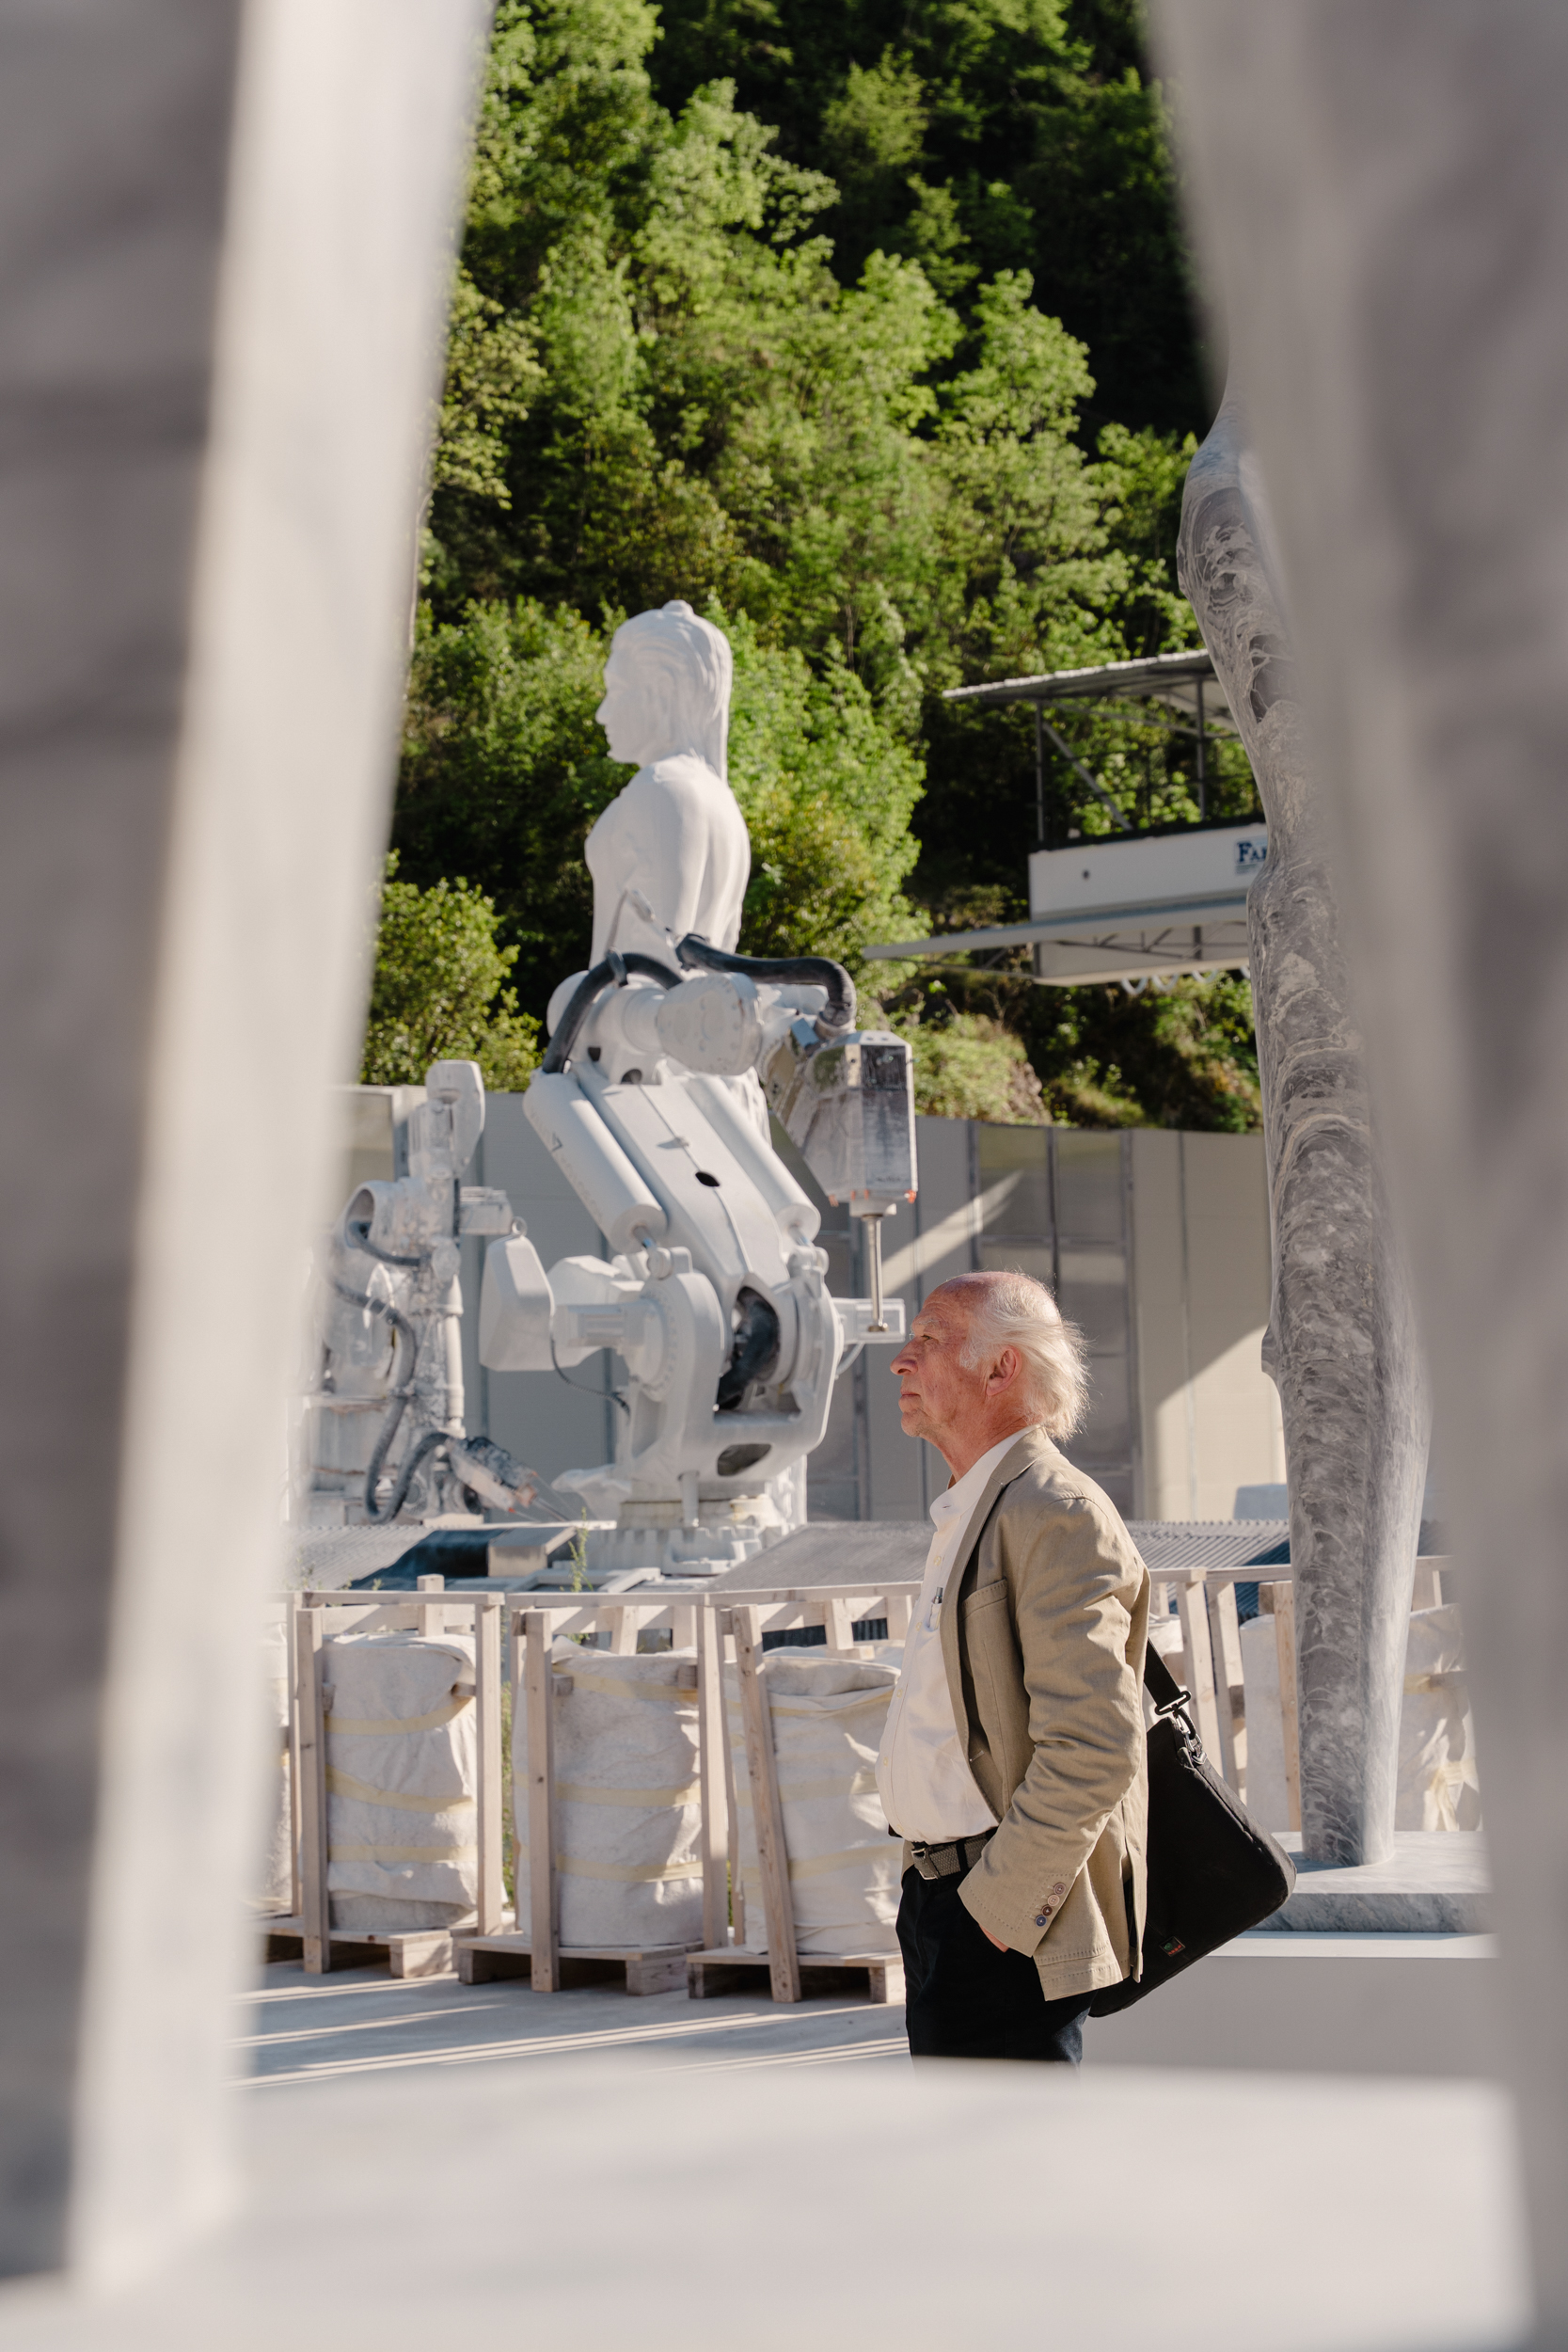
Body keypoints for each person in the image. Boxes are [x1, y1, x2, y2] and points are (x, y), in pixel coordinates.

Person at [877, 1271, 1149, 2062]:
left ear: (1001, 1369)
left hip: (999, 1917)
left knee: (1002, 2143)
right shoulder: (979, 1505)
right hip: (940, 1900)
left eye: (930, 1339)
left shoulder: (1053, 1513)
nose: (900, 1359)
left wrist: (996, 1914)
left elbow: (1094, 1746)